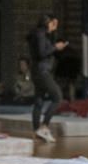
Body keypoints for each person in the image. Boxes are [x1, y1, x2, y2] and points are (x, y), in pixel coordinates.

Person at [28, 13, 68, 144]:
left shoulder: (39, 34)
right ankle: (44, 127)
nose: (54, 27)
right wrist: (55, 47)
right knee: (57, 97)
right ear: (47, 23)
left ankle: (36, 131)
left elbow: (44, 49)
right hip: (42, 71)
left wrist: (54, 45)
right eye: (53, 24)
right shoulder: (40, 35)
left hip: (38, 71)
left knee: (39, 101)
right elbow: (41, 53)